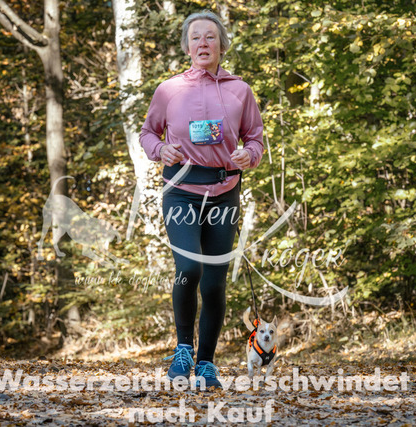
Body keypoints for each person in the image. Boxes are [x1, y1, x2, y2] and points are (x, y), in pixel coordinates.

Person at [140, 10, 264, 388]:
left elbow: (255, 138)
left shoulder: (240, 89)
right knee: (189, 268)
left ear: (222, 45)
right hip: (181, 191)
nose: (203, 43)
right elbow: (148, 133)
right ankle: (183, 348)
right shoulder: (169, 89)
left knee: (213, 283)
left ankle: (206, 364)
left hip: (224, 193)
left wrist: (249, 155)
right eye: (196, 37)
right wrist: (160, 150)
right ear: (187, 46)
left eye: (210, 37)